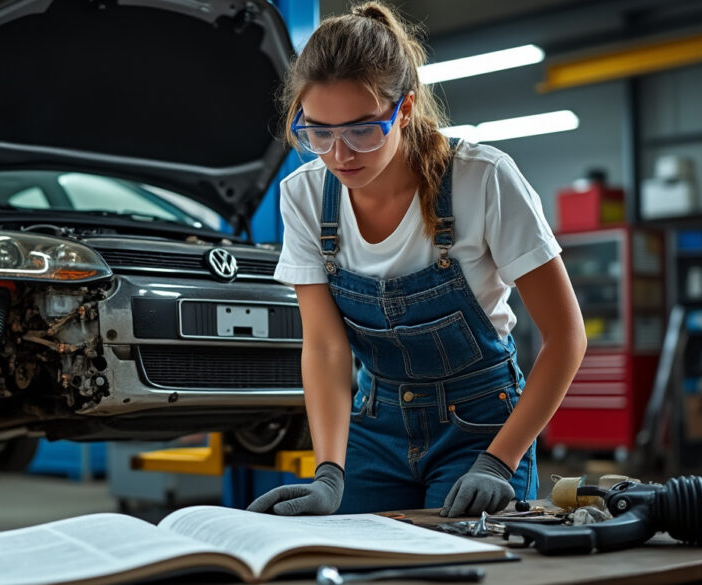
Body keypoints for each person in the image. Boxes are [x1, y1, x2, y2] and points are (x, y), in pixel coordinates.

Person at [246, 1, 587, 517]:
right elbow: (325, 349)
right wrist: (329, 473)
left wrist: (500, 461)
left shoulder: (482, 178)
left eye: (361, 130)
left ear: (403, 110)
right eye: (318, 132)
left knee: (463, 564)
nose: (340, 154)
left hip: (482, 427)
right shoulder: (305, 196)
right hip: (374, 426)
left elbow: (566, 337)